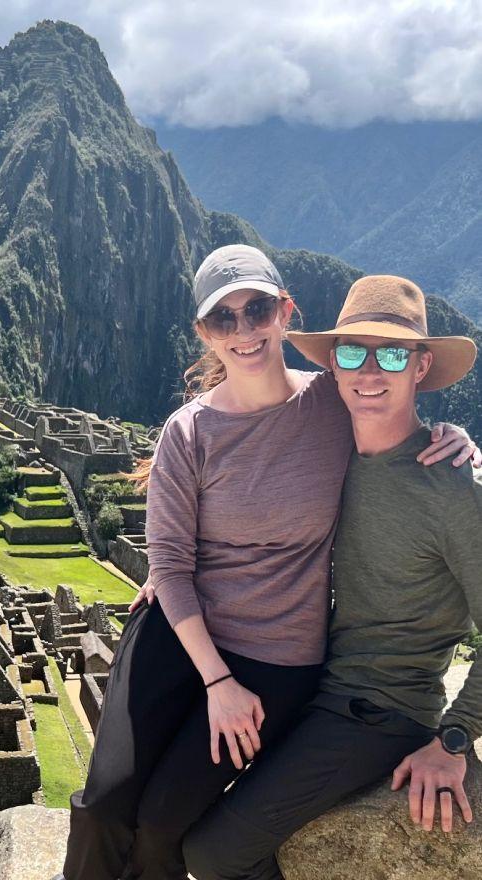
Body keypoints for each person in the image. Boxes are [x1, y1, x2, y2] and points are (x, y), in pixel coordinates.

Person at [58, 248, 478, 880]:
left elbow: (413, 445)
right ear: (204, 332)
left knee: (183, 833)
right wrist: (188, 616)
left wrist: (455, 739)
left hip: (308, 673)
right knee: (109, 805)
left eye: (257, 309)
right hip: (225, 650)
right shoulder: (220, 428)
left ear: (285, 313)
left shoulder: (372, 430)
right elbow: (172, 559)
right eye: (223, 319)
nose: (369, 373)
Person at [183, 275, 480, 879]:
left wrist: (455, 741)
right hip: (312, 686)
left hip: (378, 712)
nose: (370, 372)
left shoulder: (452, 487)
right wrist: (171, 575)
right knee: (169, 803)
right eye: (353, 353)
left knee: (212, 853)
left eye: (392, 354)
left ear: (420, 367)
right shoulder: (334, 447)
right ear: (334, 368)